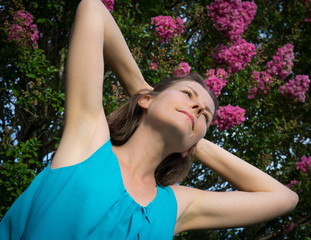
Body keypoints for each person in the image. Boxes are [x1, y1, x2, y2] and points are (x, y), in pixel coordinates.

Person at [0, 0, 298, 239]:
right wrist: (141, 91)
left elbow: (284, 198)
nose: (197, 109)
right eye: (187, 95)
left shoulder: (176, 207)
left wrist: (193, 141)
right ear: (146, 99)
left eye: (205, 114)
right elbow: (92, 8)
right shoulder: (88, 140)